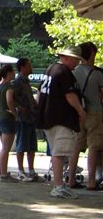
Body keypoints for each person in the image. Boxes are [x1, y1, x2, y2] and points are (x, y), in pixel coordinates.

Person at [37, 46, 87, 199]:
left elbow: (39, 93)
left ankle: (59, 184)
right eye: (76, 59)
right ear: (67, 58)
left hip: (48, 118)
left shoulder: (50, 69)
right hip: (61, 118)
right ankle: (58, 186)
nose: (77, 63)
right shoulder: (64, 72)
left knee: (57, 152)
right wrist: (81, 111)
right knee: (60, 153)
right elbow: (70, 95)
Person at [67, 42, 103, 190]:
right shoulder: (98, 74)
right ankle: (91, 181)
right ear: (92, 55)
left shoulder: (73, 72)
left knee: (76, 145)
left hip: (78, 112)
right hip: (95, 112)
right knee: (94, 146)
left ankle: (70, 179)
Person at [11, 57, 39, 182]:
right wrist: (19, 108)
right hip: (23, 118)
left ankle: (31, 170)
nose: (31, 67)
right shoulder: (18, 82)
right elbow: (11, 97)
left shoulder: (26, 81)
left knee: (32, 145)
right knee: (22, 144)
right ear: (22, 67)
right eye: (29, 65)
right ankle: (21, 171)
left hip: (31, 117)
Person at [0, 64, 18, 182]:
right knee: (6, 148)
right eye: (13, 71)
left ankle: (1, 172)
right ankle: (4, 175)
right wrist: (14, 113)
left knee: (3, 148)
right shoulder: (9, 86)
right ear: (9, 73)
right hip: (7, 118)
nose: (15, 73)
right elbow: (10, 100)